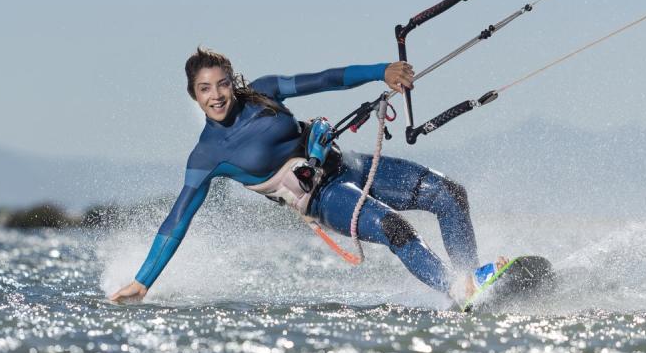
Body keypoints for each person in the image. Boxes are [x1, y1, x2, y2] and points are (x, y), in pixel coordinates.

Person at [109, 47, 504, 305]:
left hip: (349, 165)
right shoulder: (207, 155)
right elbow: (177, 219)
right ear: (193, 95)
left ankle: (471, 281)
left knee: (450, 193)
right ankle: (456, 289)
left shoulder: (263, 93)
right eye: (204, 89)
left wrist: (380, 71)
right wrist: (143, 282)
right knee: (395, 227)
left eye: (222, 84)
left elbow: (325, 79)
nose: (216, 96)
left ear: (233, 81)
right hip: (323, 199)